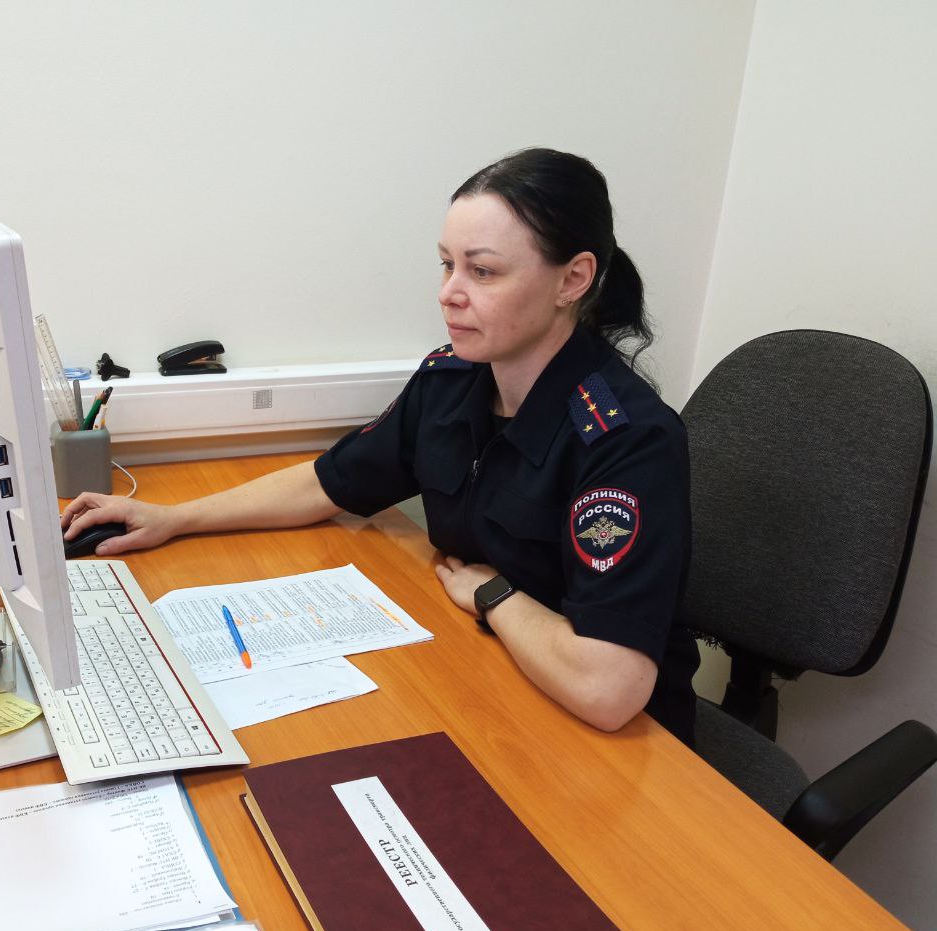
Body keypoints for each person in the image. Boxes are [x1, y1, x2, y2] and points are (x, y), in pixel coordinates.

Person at [62, 148, 699, 745]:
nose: (449, 292)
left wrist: (495, 596)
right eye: (447, 264)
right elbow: (328, 483)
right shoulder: (453, 380)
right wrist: (174, 518)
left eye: (482, 271)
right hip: (486, 680)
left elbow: (607, 687)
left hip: (615, 743)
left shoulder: (627, 439)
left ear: (573, 279)